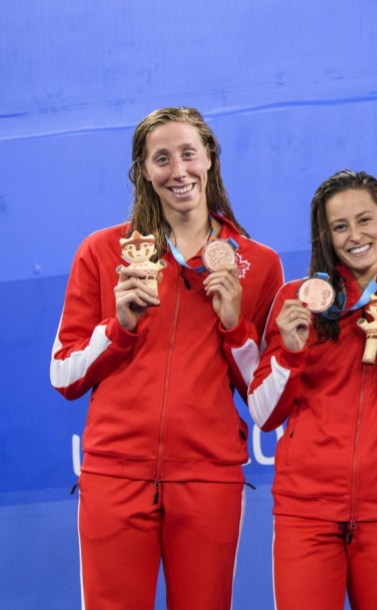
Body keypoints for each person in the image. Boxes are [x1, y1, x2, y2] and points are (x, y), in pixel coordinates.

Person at [49, 107, 283, 610]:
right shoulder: (102, 251)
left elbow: (266, 400)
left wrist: (235, 325)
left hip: (208, 478)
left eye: (188, 154)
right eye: (162, 159)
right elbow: (63, 373)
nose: (178, 171)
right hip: (115, 475)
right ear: (143, 171)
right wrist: (120, 328)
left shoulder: (257, 263)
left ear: (210, 159)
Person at [248, 169, 377, 610]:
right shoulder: (297, 299)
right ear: (326, 236)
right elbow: (263, 413)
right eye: (340, 226)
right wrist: (290, 355)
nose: (356, 236)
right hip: (305, 511)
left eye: (365, 220)